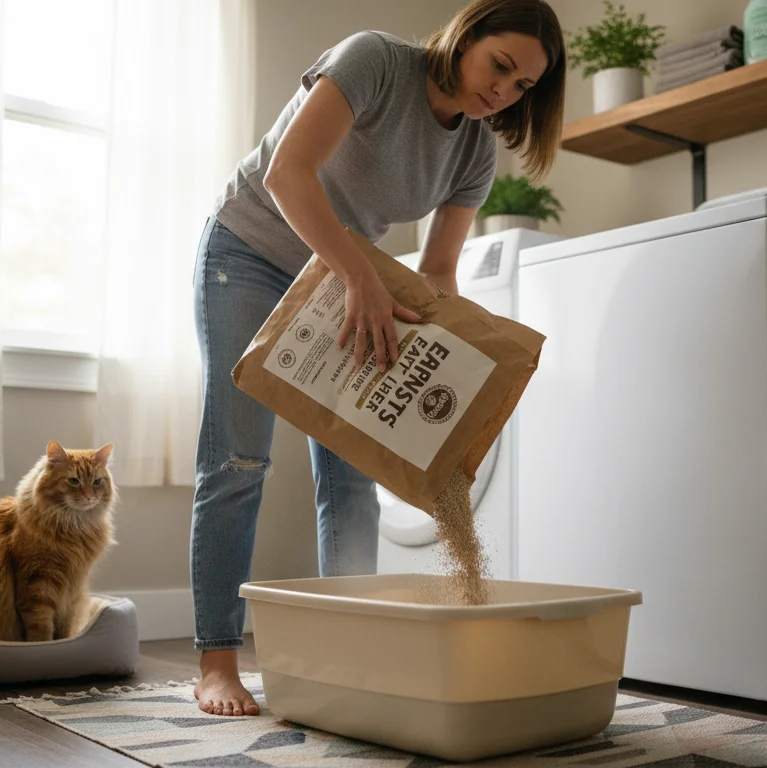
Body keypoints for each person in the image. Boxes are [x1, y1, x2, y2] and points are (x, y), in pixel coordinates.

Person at [189, 0, 566, 716]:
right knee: (239, 463)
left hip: (339, 285)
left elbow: (440, 274)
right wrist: (360, 277)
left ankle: (347, 656)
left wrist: (456, 379)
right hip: (251, 252)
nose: (504, 90)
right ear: (466, 35)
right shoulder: (374, 61)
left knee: (351, 478)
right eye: (501, 66)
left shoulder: (475, 151)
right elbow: (288, 175)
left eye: (523, 87)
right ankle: (216, 663)